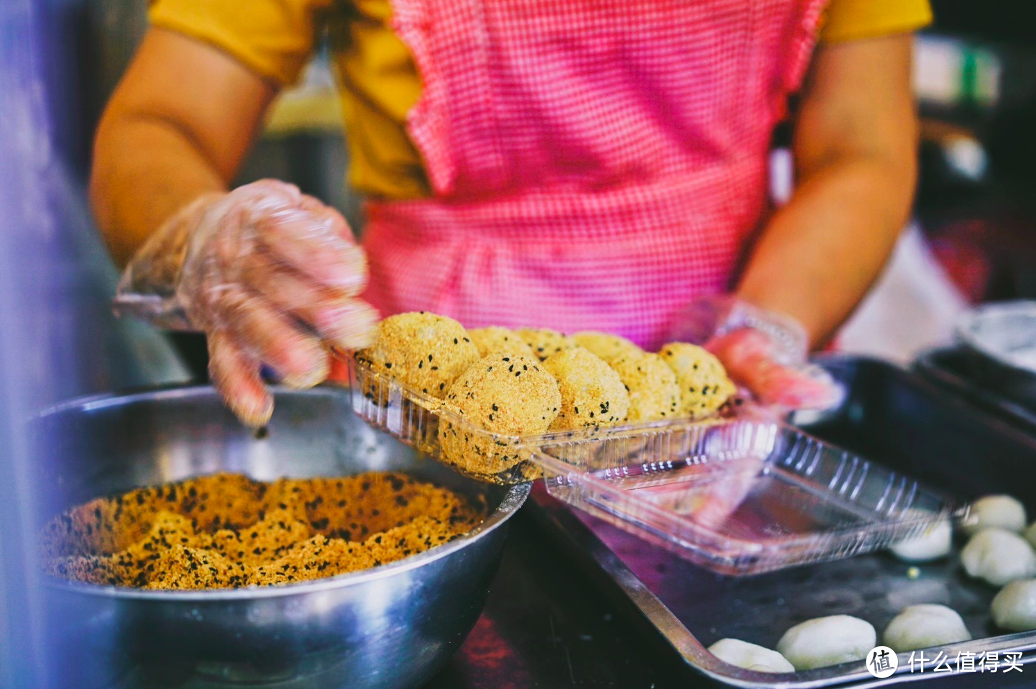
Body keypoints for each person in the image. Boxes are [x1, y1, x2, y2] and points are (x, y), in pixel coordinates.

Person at [91, 0, 931, 427]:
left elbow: (863, 149)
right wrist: (204, 236)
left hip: (733, 401)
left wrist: (768, 326)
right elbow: (157, 125)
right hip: (424, 418)